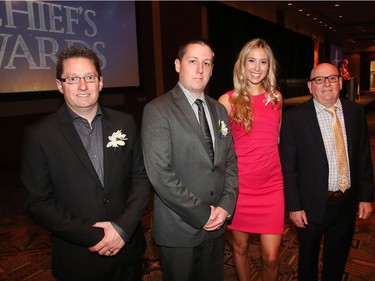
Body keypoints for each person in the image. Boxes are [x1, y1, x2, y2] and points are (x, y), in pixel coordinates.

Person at [20, 45, 150, 281]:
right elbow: (39, 203)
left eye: (89, 77)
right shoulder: (40, 135)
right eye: (73, 79)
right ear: (59, 85)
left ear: (100, 82)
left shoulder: (126, 123)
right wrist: (95, 236)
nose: (82, 86)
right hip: (78, 258)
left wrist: (122, 229)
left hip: (127, 251)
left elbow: (140, 178)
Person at [141, 39, 238, 281]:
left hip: (216, 226)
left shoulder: (219, 110)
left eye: (207, 63)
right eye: (193, 61)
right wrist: (203, 213)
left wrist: (225, 206)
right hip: (179, 229)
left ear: (212, 70)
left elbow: (230, 164)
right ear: (177, 65)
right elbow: (160, 174)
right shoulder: (158, 110)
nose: (200, 69)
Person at [279, 62, 374, 281]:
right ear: (310, 86)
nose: (326, 84)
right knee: (308, 260)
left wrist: (366, 197)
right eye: (319, 80)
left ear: (341, 83)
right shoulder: (295, 118)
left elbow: (363, 157)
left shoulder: (355, 112)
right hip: (310, 206)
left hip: (346, 203)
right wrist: (294, 206)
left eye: (331, 78)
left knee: (337, 258)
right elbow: (289, 168)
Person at [218, 38, 284, 281]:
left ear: (269, 67)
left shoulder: (276, 98)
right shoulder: (227, 101)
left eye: (263, 62)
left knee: (271, 257)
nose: (257, 67)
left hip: (272, 187)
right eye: (251, 61)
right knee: (241, 248)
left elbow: (276, 140)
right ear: (242, 65)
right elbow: (218, 149)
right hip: (240, 188)